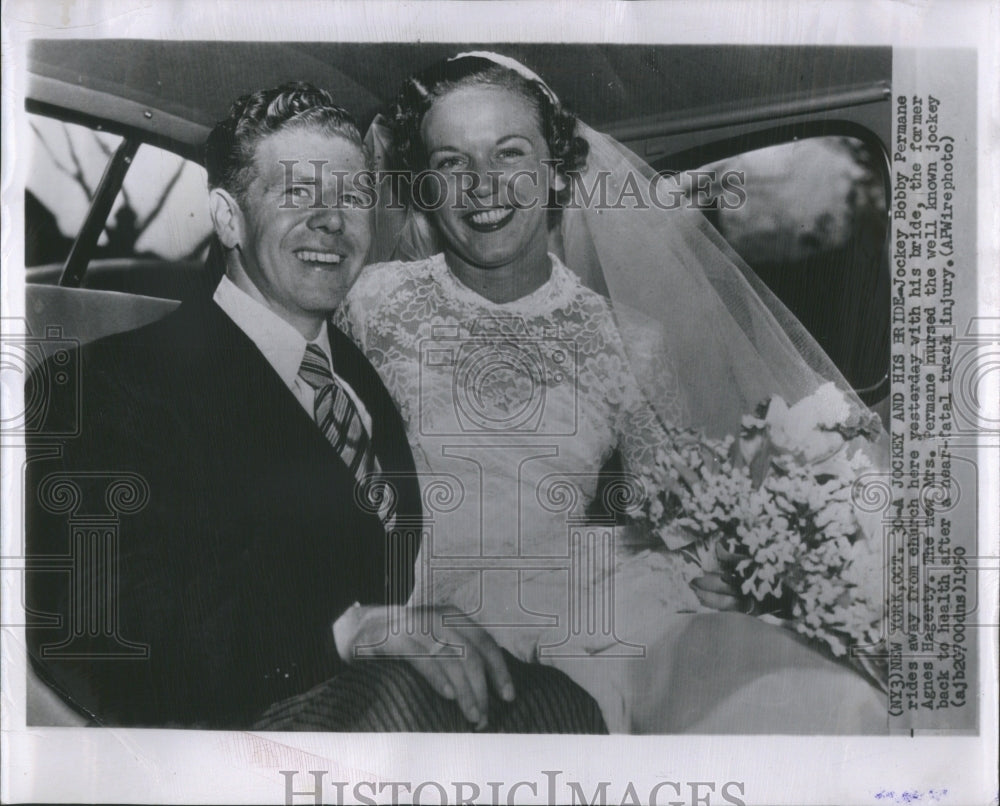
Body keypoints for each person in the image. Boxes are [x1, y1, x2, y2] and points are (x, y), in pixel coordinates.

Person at [24, 82, 605, 733]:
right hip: (229, 727)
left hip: (390, 700)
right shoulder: (107, 385)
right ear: (227, 217)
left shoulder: (357, 372)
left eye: (351, 196)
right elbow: (101, 633)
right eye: (297, 192)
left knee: (565, 703)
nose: (331, 219)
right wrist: (341, 632)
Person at [336, 53, 887, 732]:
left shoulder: (629, 339)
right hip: (426, 614)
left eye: (509, 153)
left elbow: (683, 511)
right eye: (451, 162)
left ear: (556, 167)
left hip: (597, 599)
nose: (482, 186)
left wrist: (723, 567)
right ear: (425, 181)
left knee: (806, 699)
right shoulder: (369, 303)